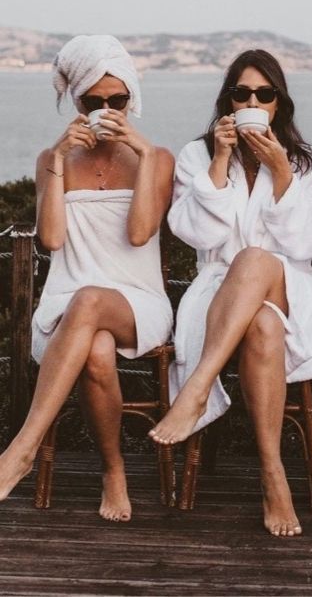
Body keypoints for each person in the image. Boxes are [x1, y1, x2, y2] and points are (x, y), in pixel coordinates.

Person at [149, 49, 312, 537]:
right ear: (229, 100)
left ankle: (196, 388)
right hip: (219, 293)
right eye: (242, 92)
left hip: (293, 286)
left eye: (264, 94)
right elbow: (197, 236)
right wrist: (222, 160)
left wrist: (283, 174)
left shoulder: (307, 161)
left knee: (257, 261)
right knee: (263, 326)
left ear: (279, 103)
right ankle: (273, 474)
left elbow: (308, 243)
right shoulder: (199, 155)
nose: (253, 101)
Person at [0, 35, 174, 521]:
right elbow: (52, 240)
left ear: (131, 99)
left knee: (92, 301)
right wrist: (56, 163)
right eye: (93, 102)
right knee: (95, 344)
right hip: (67, 301)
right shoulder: (51, 160)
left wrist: (143, 154)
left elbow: (141, 233)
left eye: (117, 100)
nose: (106, 109)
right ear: (77, 103)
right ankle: (113, 471)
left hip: (138, 302)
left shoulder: (155, 157)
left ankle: (22, 449)